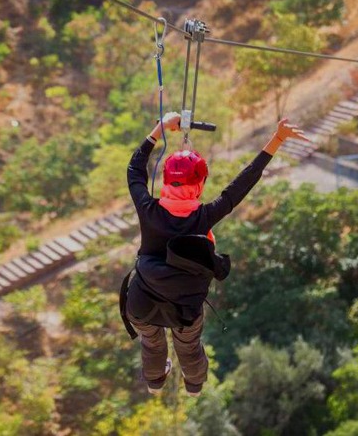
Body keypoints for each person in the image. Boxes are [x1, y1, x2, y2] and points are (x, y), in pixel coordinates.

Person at [120, 114, 310, 397]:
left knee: (152, 342)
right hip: (184, 308)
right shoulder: (204, 216)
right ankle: (194, 385)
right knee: (188, 346)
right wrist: (277, 138)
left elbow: (134, 170)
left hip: (142, 302)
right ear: (199, 185)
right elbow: (242, 184)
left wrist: (160, 128)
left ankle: (155, 382)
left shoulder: (148, 209)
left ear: (166, 181)